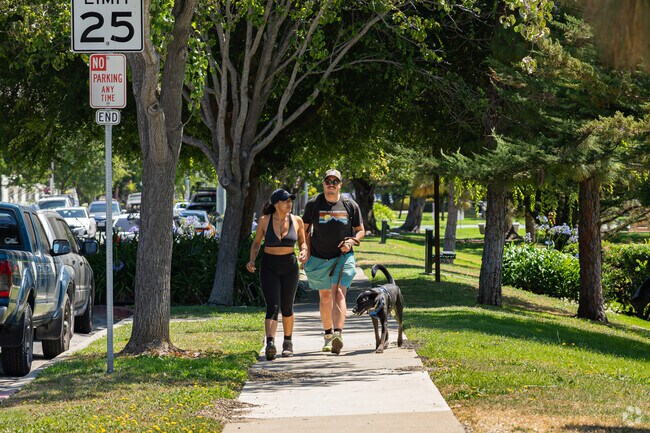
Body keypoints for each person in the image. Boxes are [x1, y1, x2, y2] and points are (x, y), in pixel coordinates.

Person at [302, 169, 365, 355]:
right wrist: (305, 251)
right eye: (328, 181)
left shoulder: (349, 204)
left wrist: (352, 241)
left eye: (334, 182)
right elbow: (304, 231)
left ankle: (338, 333)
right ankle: (328, 335)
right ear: (323, 184)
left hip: (343, 257)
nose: (331, 184)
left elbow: (360, 230)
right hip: (320, 257)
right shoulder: (314, 204)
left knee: (338, 292)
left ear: (340, 185)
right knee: (325, 296)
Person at [246, 189, 308, 360]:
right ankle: (270, 343)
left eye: (290, 201)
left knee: (287, 306)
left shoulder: (297, 220)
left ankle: (288, 342)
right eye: (285, 201)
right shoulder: (265, 221)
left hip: (289, 266)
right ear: (275, 204)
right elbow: (257, 243)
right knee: (272, 306)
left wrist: (303, 252)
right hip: (269, 266)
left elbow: (303, 242)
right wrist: (252, 260)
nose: (289, 203)